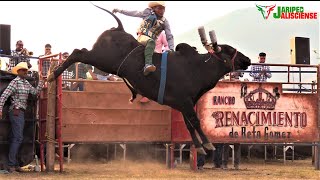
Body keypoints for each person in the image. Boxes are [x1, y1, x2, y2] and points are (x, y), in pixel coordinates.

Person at [0, 62, 45, 173]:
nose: (25, 72)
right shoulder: (15, 82)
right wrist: (0, 109)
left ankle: (13, 164)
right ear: (18, 71)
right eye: (23, 70)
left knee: (15, 137)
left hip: (19, 112)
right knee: (18, 138)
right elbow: (4, 96)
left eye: (26, 70)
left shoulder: (25, 83)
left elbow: (34, 92)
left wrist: (42, 82)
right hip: (16, 111)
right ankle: (12, 165)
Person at [113, 1, 174, 76]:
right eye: (159, 8)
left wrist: (171, 49)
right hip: (142, 37)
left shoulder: (165, 22)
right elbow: (134, 13)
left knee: (156, 57)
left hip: (151, 44)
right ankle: (147, 65)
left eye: (163, 9)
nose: (162, 11)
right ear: (154, 8)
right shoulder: (147, 13)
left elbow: (169, 36)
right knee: (151, 42)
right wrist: (120, 10)